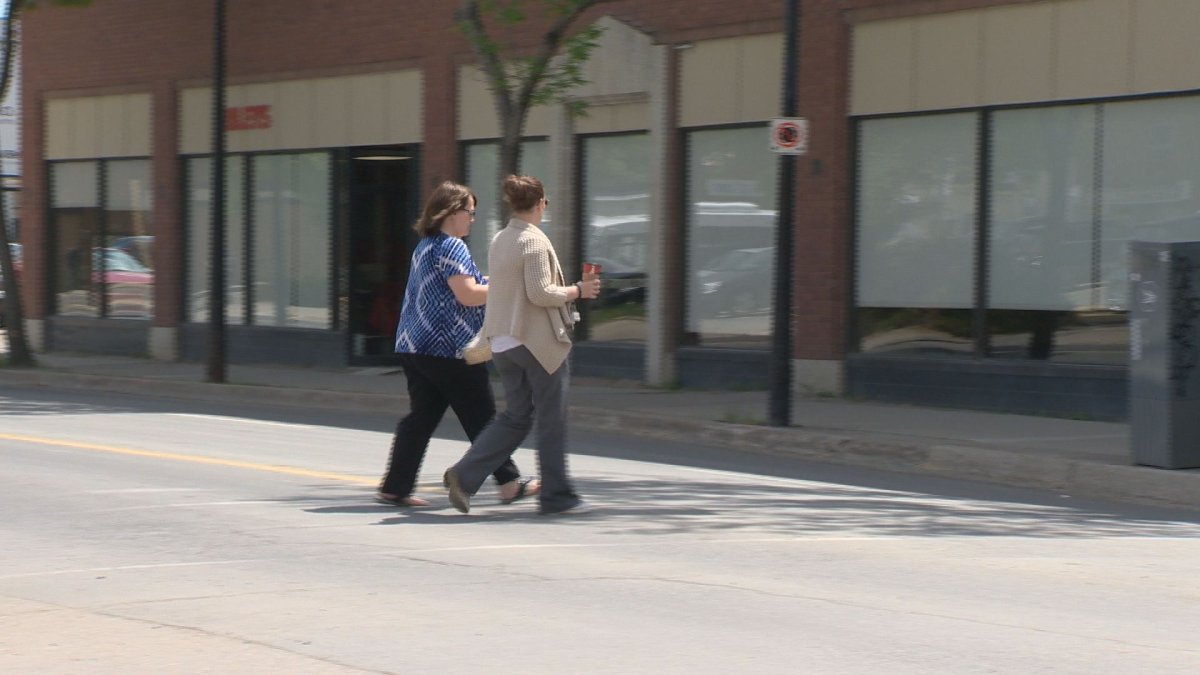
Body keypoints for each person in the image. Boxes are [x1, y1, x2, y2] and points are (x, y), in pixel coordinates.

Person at [442, 175, 601, 515]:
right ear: (541, 203)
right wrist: (578, 291)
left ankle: (464, 475)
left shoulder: (501, 239)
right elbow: (540, 292)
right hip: (535, 342)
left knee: (516, 417)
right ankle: (557, 496)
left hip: (503, 343)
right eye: (546, 204)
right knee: (551, 420)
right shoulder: (533, 241)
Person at [377, 181, 539, 507]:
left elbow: (469, 285)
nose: (473, 219)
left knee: (421, 417)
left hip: (414, 346)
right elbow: (467, 294)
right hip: (449, 349)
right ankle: (508, 483)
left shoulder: (426, 245)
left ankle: (395, 487)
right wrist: (511, 289)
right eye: (470, 212)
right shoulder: (452, 246)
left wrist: (497, 283)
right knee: (483, 417)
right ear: (451, 211)